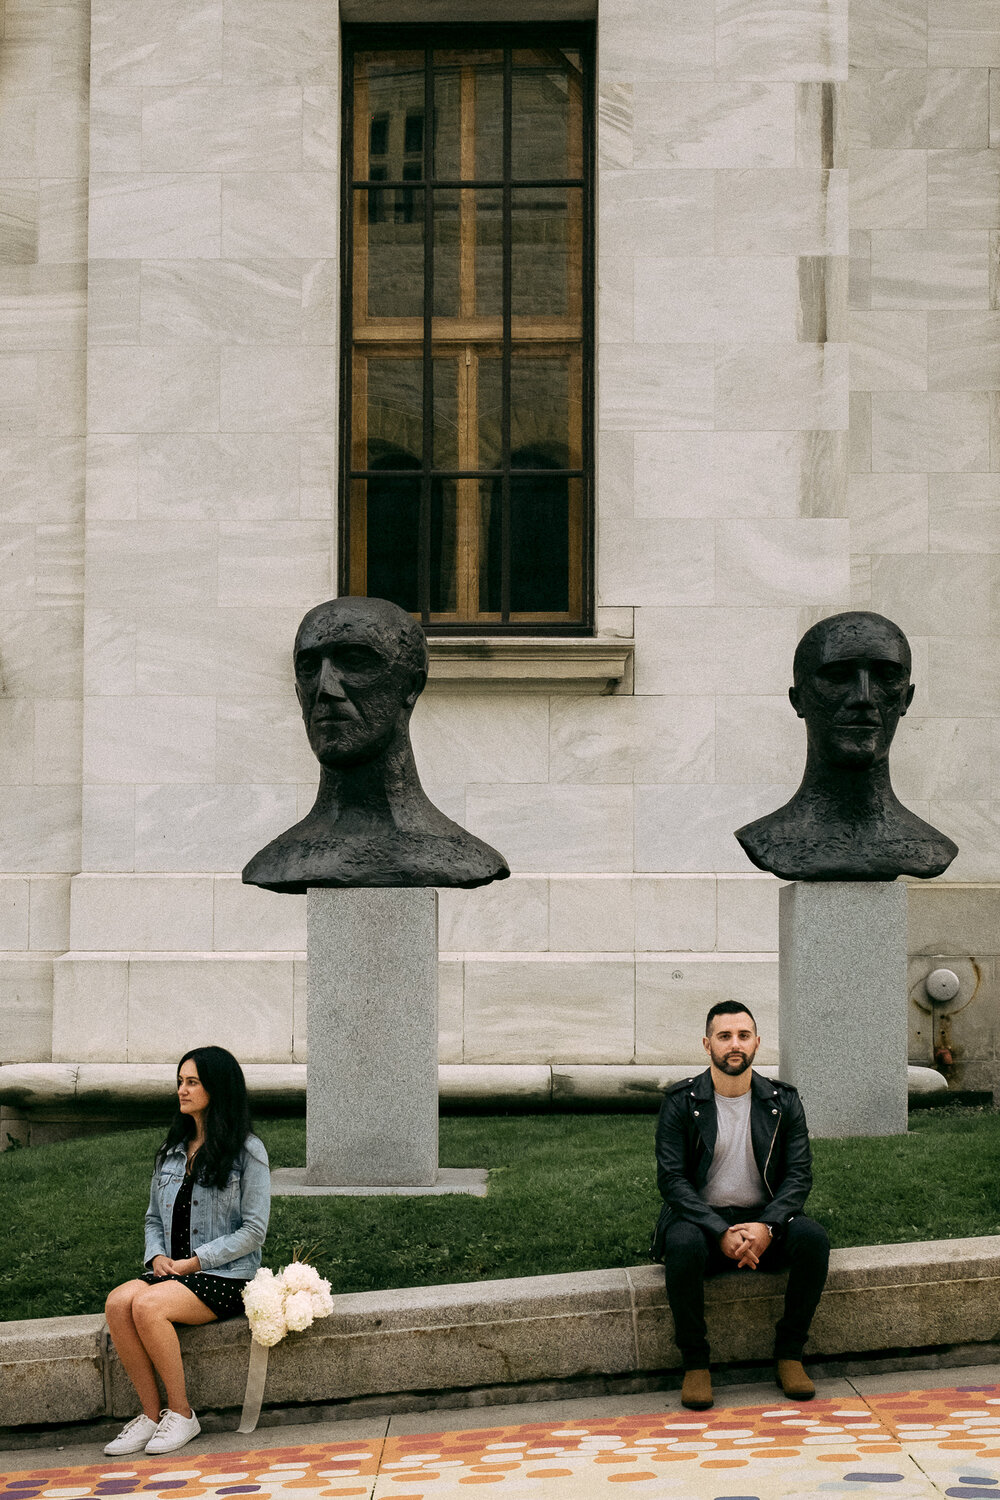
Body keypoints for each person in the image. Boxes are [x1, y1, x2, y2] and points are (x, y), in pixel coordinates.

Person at [242, 595, 509, 892]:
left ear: (410, 687)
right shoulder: (280, 860)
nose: (325, 688)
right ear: (297, 694)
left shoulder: (458, 853)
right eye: (309, 668)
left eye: (354, 661)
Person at [652, 1001, 829, 1411]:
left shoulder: (783, 1101)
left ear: (757, 1043)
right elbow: (673, 1181)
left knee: (813, 1239)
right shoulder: (681, 1101)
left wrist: (767, 1226)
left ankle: (789, 1354)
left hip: (763, 1220)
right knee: (681, 1246)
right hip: (702, 1221)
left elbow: (798, 1176)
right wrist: (719, 1230)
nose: (735, 1044)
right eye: (725, 1036)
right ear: (707, 1044)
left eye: (743, 1035)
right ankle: (696, 1364)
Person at [103, 1046, 270, 1456]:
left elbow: (254, 1231)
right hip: (174, 1271)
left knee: (147, 1307)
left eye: (192, 1082)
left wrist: (196, 1261)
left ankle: (181, 1414)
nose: (182, 1089)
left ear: (218, 1087)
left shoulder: (247, 1152)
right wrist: (155, 1257)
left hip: (225, 1275)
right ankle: (151, 1415)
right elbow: (152, 1220)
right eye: (180, 1081)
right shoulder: (172, 1151)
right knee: (117, 1302)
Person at [735, 610, 957, 881]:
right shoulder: (768, 840)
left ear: (906, 699)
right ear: (798, 699)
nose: (863, 697)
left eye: (887, 676)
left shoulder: (930, 847)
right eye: (838, 675)